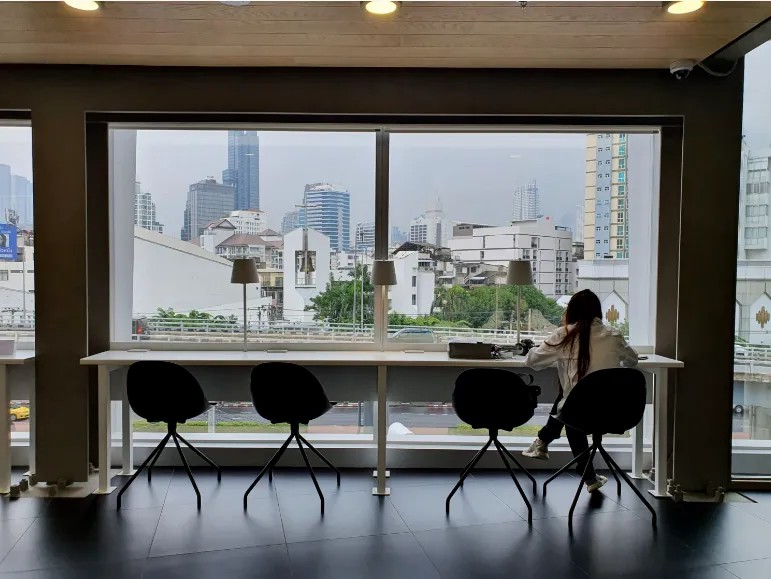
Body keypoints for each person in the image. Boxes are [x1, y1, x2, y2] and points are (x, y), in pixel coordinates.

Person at [522, 289, 638, 493]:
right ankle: (584, 473)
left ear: (572, 311)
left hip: (579, 414)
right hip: (616, 412)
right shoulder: (614, 335)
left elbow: (532, 361)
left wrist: (543, 346)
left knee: (571, 402)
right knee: (571, 398)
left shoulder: (564, 335)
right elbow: (633, 360)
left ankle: (546, 443)